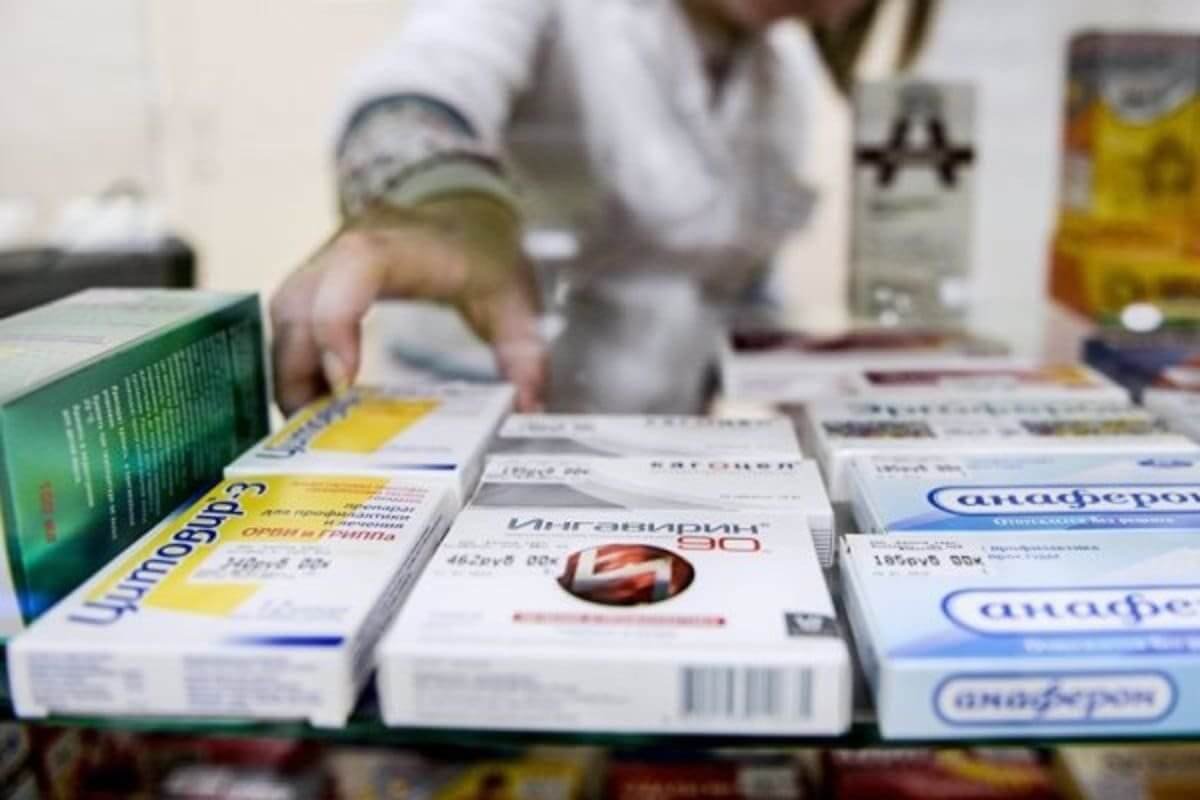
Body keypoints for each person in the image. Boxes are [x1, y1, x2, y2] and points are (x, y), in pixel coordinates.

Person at [270, 0, 934, 414]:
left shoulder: (781, 75)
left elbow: (726, 284)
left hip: (664, 453)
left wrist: (814, 366)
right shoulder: (562, 17)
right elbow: (420, 89)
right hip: (488, 435)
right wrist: (440, 202)